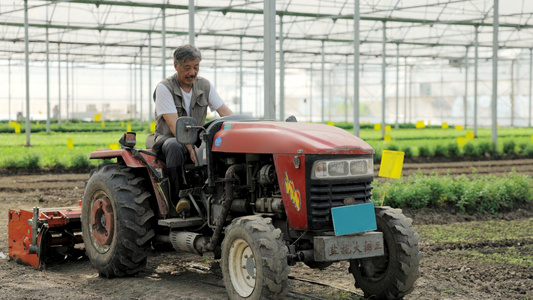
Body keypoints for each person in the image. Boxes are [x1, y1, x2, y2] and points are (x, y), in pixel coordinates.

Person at [146, 44, 233, 214]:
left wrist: (240, 126)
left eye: (196, 67)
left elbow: (225, 112)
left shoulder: (204, 86)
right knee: (175, 146)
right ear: (176, 65)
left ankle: (214, 193)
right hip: (167, 138)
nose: (192, 72)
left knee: (217, 142)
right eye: (187, 68)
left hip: (195, 138)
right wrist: (192, 148)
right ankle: (180, 198)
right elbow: (174, 125)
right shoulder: (165, 88)